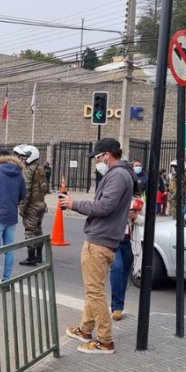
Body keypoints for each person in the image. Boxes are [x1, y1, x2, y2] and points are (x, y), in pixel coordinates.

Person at [59, 138, 135, 355]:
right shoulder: (121, 173)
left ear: (107, 155)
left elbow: (104, 206)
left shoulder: (118, 175)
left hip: (100, 240)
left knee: (95, 292)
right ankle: (85, 329)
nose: (96, 161)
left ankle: (105, 340)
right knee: (94, 290)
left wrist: (75, 204)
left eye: (98, 157)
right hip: (104, 238)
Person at [0, 150, 26, 288]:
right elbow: (22, 195)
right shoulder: (19, 174)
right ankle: (7, 281)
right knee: (9, 249)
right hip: (11, 216)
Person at [110, 190, 144, 322]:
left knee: (124, 275)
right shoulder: (113, 195)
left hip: (129, 242)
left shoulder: (137, 200)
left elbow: (145, 220)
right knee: (117, 269)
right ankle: (116, 306)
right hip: (114, 240)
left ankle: (118, 306)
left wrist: (135, 217)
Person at [14, 145, 49, 266]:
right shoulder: (41, 169)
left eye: (25, 156)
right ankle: (39, 255)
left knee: (30, 231)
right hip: (41, 204)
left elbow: (26, 190)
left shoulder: (29, 170)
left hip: (32, 205)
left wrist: (22, 207)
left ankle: (31, 258)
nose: (23, 158)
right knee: (38, 230)